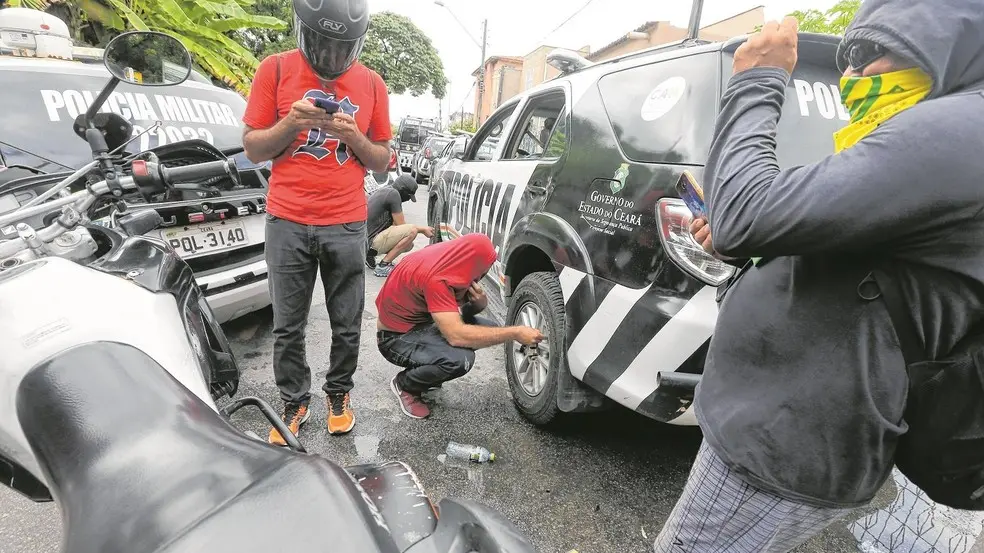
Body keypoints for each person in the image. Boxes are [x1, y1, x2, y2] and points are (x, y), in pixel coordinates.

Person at [654, 2, 984, 551]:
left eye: (868, 53)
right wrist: (750, 242)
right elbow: (846, 253)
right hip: (774, 424)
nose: (850, 75)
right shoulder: (943, 130)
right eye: (845, 57)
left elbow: (746, 217)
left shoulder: (964, 131)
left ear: (944, 43)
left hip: (784, 439)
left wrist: (758, 80)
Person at [241, 0, 393, 445]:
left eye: (340, 48)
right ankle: (294, 400)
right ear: (303, 31)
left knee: (347, 322)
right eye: (321, 44)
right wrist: (291, 121)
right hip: (286, 220)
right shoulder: (275, 69)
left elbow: (382, 161)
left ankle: (339, 394)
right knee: (288, 324)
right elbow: (253, 147)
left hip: (346, 223)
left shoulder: (373, 84)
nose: (329, 57)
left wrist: (354, 137)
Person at [375, 234, 544, 419]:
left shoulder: (450, 258)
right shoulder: (437, 278)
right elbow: (456, 336)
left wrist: (478, 304)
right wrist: (515, 332)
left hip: (423, 323)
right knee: (460, 359)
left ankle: (429, 368)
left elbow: (459, 313)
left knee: (490, 329)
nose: (480, 278)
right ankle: (406, 384)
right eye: (482, 272)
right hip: (395, 338)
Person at [365, 174, 434, 277]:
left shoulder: (386, 190)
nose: (409, 200)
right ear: (402, 190)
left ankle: (369, 256)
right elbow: (402, 226)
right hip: (371, 242)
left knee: (409, 244)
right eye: (409, 196)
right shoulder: (394, 194)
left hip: (365, 242)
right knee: (412, 232)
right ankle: (383, 266)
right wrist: (423, 229)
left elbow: (394, 225)